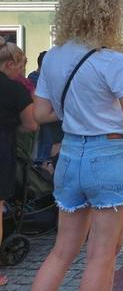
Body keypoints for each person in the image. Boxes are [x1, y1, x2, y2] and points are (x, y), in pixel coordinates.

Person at [32, 0, 123, 290]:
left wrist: (79, 108)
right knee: (101, 255)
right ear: (110, 15)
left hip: (69, 156)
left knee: (61, 252)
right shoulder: (115, 61)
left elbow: (41, 114)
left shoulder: (53, 58)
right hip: (108, 156)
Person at [0, 38, 37, 287]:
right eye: (20, 67)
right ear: (9, 63)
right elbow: (31, 123)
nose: (21, 72)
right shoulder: (14, 90)